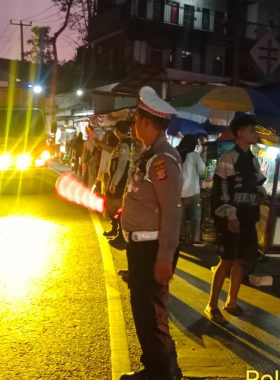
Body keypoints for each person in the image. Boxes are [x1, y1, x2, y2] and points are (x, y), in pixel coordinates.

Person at [119, 86, 182, 380]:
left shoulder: (162, 159)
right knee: (144, 313)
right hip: (141, 246)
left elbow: (171, 211)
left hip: (153, 249)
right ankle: (155, 368)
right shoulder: (149, 154)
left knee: (153, 315)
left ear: (145, 122)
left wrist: (165, 257)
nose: (133, 126)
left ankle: (164, 373)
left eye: (136, 120)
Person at [205, 114, 266, 323]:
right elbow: (222, 191)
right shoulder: (228, 159)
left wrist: (261, 192)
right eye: (251, 130)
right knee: (227, 260)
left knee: (241, 260)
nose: (255, 134)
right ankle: (212, 305)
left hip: (248, 217)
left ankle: (232, 302)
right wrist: (230, 216)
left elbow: (258, 184)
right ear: (240, 133)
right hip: (231, 218)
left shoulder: (253, 160)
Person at [104, 121, 134, 250]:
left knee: (117, 208)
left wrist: (114, 183)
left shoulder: (124, 144)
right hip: (122, 181)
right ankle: (117, 231)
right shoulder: (127, 143)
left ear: (118, 130)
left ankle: (121, 236)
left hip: (120, 182)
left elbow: (121, 166)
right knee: (115, 207)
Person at [177, 134, 206, 247]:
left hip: (179, 193)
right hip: (192, 192)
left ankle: (181, 237)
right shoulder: (194, 155)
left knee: (181, 217)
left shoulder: (176, 154)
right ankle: (194, 239)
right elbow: (202, 171)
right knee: (196, 217)